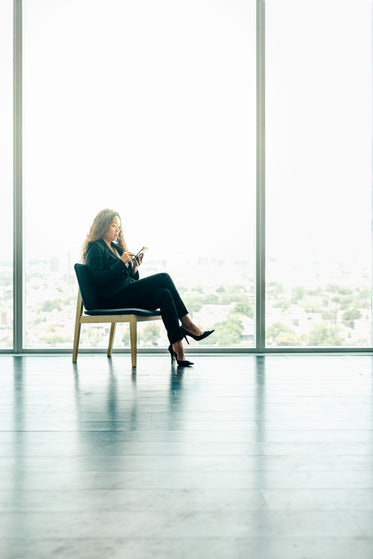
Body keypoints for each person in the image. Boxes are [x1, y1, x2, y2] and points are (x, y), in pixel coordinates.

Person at [82, 208, 214, 366]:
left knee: (164, 294)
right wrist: (121, 262)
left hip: (126, 292)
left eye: (119, 226)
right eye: (113, 225)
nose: (117, 230)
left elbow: (126, 277)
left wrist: (134, 269)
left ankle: (177, 348)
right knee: (163, 278)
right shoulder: (95, 247)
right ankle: (187, 324)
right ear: (102, 226)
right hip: (112, 298)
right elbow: (99, 280)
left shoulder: (116, 248)